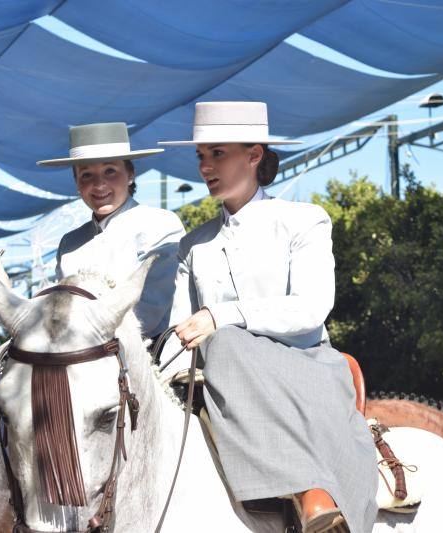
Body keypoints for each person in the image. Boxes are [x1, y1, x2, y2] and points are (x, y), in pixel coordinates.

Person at [160, 102, 378, 533]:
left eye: (217, 153)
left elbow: (312, 308)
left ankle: (310, 490)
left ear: (255, 155)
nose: (206, 167)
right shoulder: (193, 245)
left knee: (223, 342)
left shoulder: (304, 220)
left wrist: (222, 316)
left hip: (303, 367)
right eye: (201, 156)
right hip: (220, 380)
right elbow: (178, 329)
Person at [35, 122, 185, 341]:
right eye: (86, 175)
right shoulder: (70, 243)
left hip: (150, 356)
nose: (99, 184)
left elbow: (150, 311)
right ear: (76, 182)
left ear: (130, 174)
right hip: (75, 359)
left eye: (110, 171)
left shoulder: (160, 224)